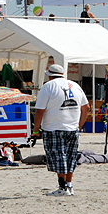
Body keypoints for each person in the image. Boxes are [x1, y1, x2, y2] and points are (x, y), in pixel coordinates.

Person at [32, 64, 90, 197]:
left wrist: (35, 130)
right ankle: (69, 186)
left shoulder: (48, 86)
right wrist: (79, 126)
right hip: (72, 128)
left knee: (59, 157)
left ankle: (62, 187)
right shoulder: (75, 85)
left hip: (53, 128)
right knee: (70, 157)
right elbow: (86, 107)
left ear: (49, 75)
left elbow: (40, 111)